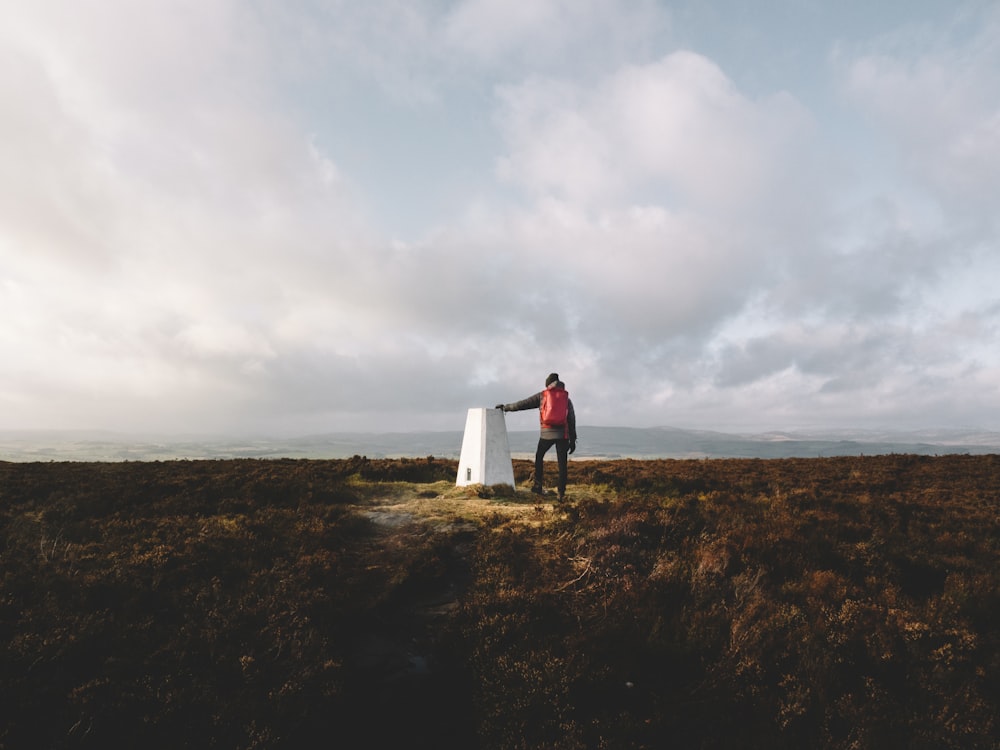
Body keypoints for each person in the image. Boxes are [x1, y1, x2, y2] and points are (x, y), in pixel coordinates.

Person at [496, 373, 577, 500]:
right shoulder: (566, 398)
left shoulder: (542, 396)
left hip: (546, 434)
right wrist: (573, 439)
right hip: (563, 435)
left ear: (548, 384)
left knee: (539, 457)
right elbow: (571, 419)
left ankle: (537, 485)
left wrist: (506, 408)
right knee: (562, 464)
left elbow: (523, 404)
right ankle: (561, 493)